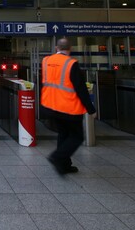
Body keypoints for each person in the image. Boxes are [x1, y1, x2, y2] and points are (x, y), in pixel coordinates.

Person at [40, 38, 96, 175]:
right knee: (77, 136)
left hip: (50, 105)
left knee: (63, 133)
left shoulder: (46, 61)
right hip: (68, 108)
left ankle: (64, 165)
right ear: (70, 49)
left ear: (56, 48)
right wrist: (91, 109)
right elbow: (81, 89)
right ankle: (57, 157)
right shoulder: (71, 64)